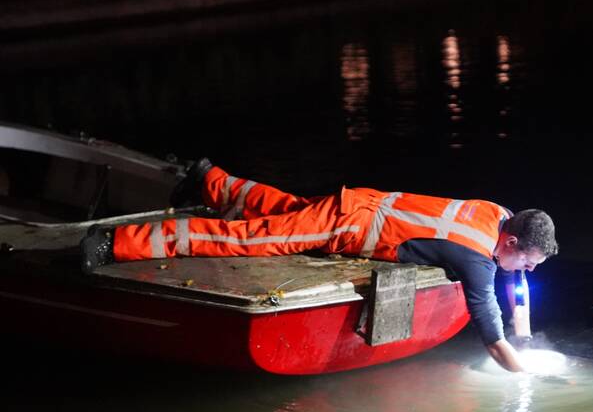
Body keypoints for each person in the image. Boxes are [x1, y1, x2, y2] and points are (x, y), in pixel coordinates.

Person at [79, 159, 558, 372]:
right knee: (248, 240)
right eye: (528, 261)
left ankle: (210, 179)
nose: (528, 271)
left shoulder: (495, 213)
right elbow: (490, 333)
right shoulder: (478, 260)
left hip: (364, 203)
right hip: (349, 225)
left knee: (285, 210)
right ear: (511, 240)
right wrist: (523, 372)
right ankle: (115, 243)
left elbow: (508, 284)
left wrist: (524, 333)